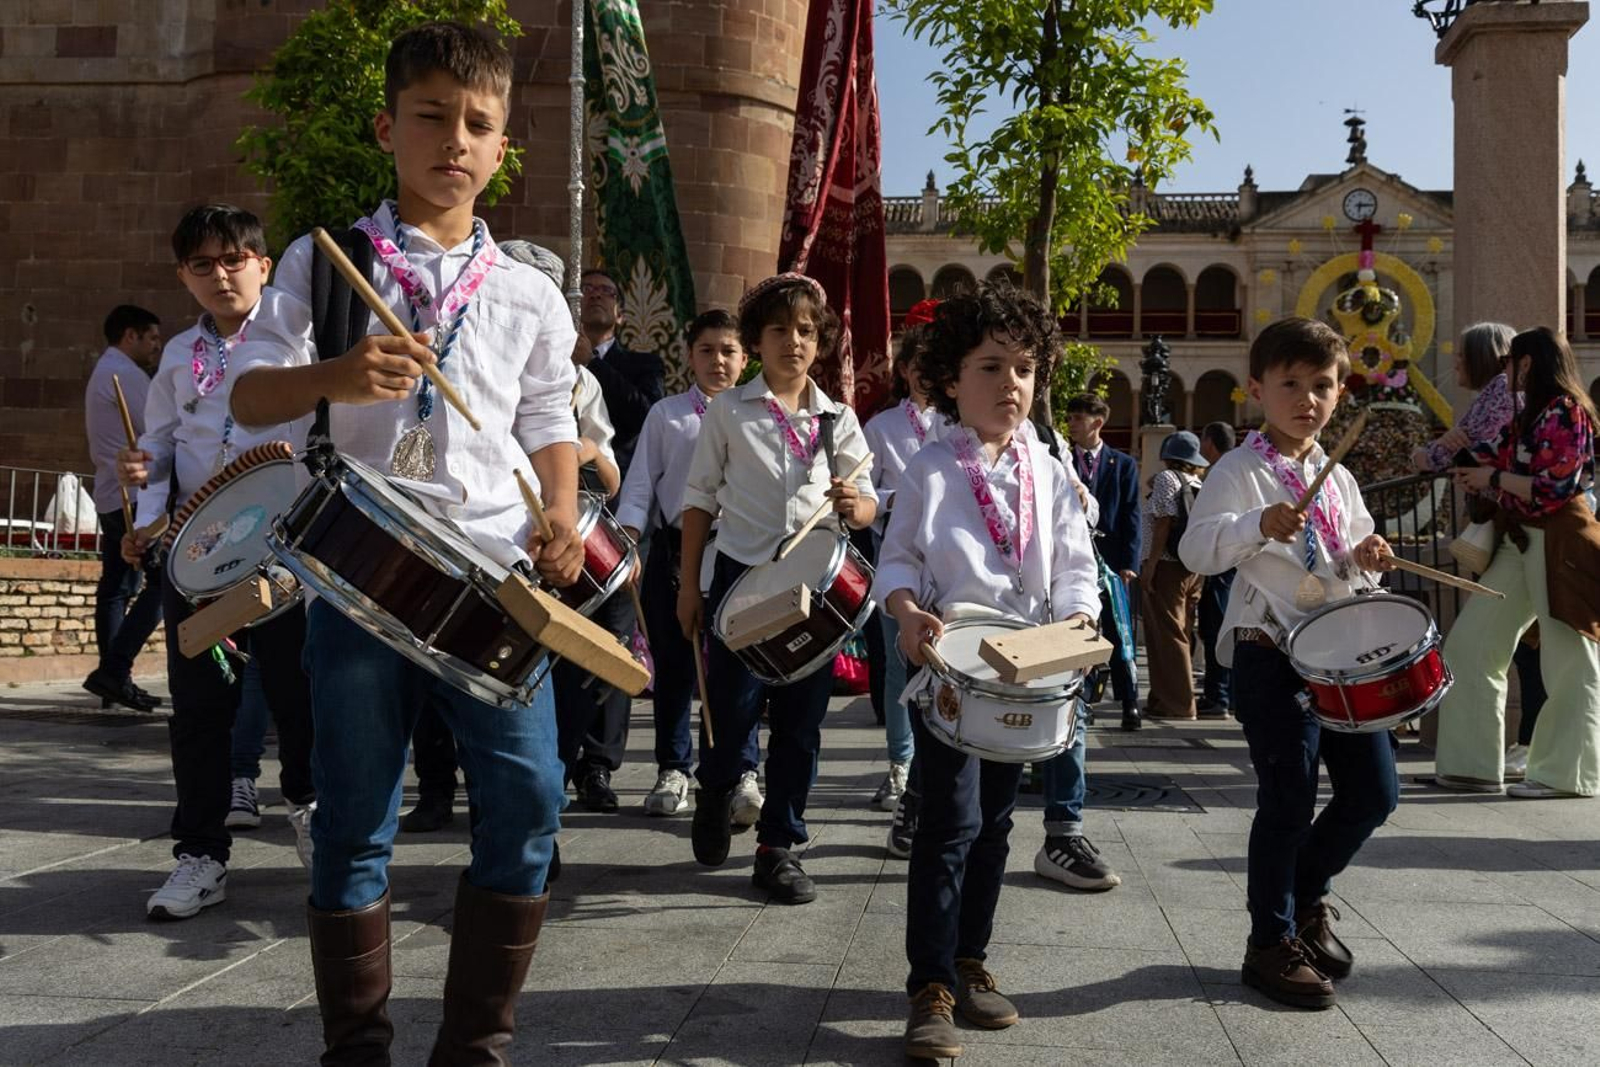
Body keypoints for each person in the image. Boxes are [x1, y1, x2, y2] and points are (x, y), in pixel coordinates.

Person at [227, 22, 583, 1062]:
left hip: (493, 580)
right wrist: (334, 378)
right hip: (361, 578)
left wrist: (561, 513)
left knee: (530, 801)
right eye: (431, 116)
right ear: (388, 128)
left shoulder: (526, 289)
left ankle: (475, 1044)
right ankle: (358, 1045)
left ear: (502, 145)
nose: (454, 140)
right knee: (352, 816)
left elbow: (548, 418)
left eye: (478, 123)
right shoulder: (322, 264)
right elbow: (248, 395)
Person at [875, 284, 1100, 1058]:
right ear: (951, 378)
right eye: (992, 367)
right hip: (951, 667)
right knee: (950, 823)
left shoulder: (1050, 467)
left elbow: (1076, 565)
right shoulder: (931, 466)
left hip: (1026, 669)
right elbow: (897, 559)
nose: (1012, 384)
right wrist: (908, 612)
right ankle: (931, 984)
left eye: (1025, 369)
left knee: (998, 823)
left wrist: (1078, 621)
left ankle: (971, 958)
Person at [1180, 316, 1399, 1010]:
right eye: (1292, 384)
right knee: (1288, 799)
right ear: (1257, 390)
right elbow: (1195, 549)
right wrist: (1257, 524)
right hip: (1270, 652)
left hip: (1339, 656)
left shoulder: (1338, 477)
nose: (1309, 399)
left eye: (1323, 385)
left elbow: (1348, 559)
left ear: (1339, 392)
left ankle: (1304, 895)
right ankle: (1269, 942)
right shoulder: (1237, 470)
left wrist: (1368, 555)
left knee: (1374, 793)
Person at [117, 204, 318, 919]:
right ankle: (200, 853)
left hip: (287, 549)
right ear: (183, 275)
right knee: (200, 708)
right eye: (202, 264)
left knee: (299, 697)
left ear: (263, 264)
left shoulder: (300, 336)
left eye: (235, 260)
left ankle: (312, 815)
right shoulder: (177, 354)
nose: (221, 275)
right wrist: (147, 505)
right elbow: (161, 442)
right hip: (198, 555)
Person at [678, 272, 877, 905]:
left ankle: (778, 847)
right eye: (780, 330)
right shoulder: (729, 411)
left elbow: (868, 502)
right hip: (740, 580)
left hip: (812, 594)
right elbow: (698, 501)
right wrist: (689, 587)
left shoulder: (838, 419)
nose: (794, 341)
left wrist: (855, 504)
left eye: (806, 331)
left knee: (800, 724)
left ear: (820, 342)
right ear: (756, 341)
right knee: (731, 711)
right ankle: (715, 789)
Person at [1435, 326, 1600, 799]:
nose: (1503, 370)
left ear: (1526, 363)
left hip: (1560, 539)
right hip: (1521, 536)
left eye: (1509, 362)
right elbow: (1492, 455)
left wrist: (1491, 477)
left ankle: (1567, 776)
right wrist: (1457, 460)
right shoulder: (1531, 412)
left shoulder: (1567, 410)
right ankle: (1471, 767)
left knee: (1570, 657)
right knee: (1470, 646)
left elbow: (1557, 487)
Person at [616, 309, 763, 818]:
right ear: (689, 356)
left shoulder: (757, 415)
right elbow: (640, 485)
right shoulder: (667, 415)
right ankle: (673, 768)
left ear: (745, 358)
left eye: (728, 351)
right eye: (707, 350)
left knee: (739, 667)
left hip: (740, 551)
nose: (718, 361)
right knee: (676, 667)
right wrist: (629, 540)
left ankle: (742, 769)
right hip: (677, 551)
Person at [1412, 322, 1546, 779]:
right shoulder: (1499, 396)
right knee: (1517, 645)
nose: (1454, 364)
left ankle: (1520, 749)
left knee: (1520, 646)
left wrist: (1443, 451)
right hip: (1513, 532)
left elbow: (1458, 455)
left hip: (1519, 532)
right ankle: (1501, 755)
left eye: (1460, 355)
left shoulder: (1501, 396)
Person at [861, 309, 943, 825]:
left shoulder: (960, 423)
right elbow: (865, 493)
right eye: (918, 364)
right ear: (906, 370)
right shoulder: (882, 426)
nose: (926, 374)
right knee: (898, 665)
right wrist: (902, 499)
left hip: (951, 563)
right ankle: (901, 763)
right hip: (899, 561)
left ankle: (941, 765)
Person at [82, 304, 164, 711]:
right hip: (134, 498)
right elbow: (159, 429)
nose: (156, 347)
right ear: (130, 335)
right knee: (165, 584)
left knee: (116, 588)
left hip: (112, 495)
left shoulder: (105, 371)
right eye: (152, 338)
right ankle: (115, 670)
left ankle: (112, 679)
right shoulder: (124, 374)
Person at [1065, 394, 1142, 731]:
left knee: (1117, 630)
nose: (1071, 424)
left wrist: (1129, 562)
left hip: (1110, 562)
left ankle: (1129, 701)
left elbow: (1131, 514)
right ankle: (1080, 698)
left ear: (1097, 423)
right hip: (1073, 558)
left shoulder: (1122, 464)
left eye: (1077, 418)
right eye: (1069, 418)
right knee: (1079, 628)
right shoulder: (1062, 459)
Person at [1140, 430, 1208, 720]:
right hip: (1192, 567)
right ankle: (1161, 699)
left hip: (1167, 565)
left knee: (1167, 635)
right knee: (1181, 632)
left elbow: (1163, 523)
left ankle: (1179, 704)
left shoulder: (1168, 479)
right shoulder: (1197, 482)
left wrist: (1151, 565)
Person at [573, 267, 665, 477]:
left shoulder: (645, 364)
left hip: (619, 479)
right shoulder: (553, 359)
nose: (596, 295)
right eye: (586, 289)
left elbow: (648, 415)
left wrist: (592, 362)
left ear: (620, 316)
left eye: (607, 291)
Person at [1196, 421, 1238, 717]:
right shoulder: (1236, 469)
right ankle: (1226, 693)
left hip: (1223, 566)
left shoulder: (1222, 473)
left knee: (1216, 630)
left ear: (1210, 442)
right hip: (1233, 565)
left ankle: (1219, 695)